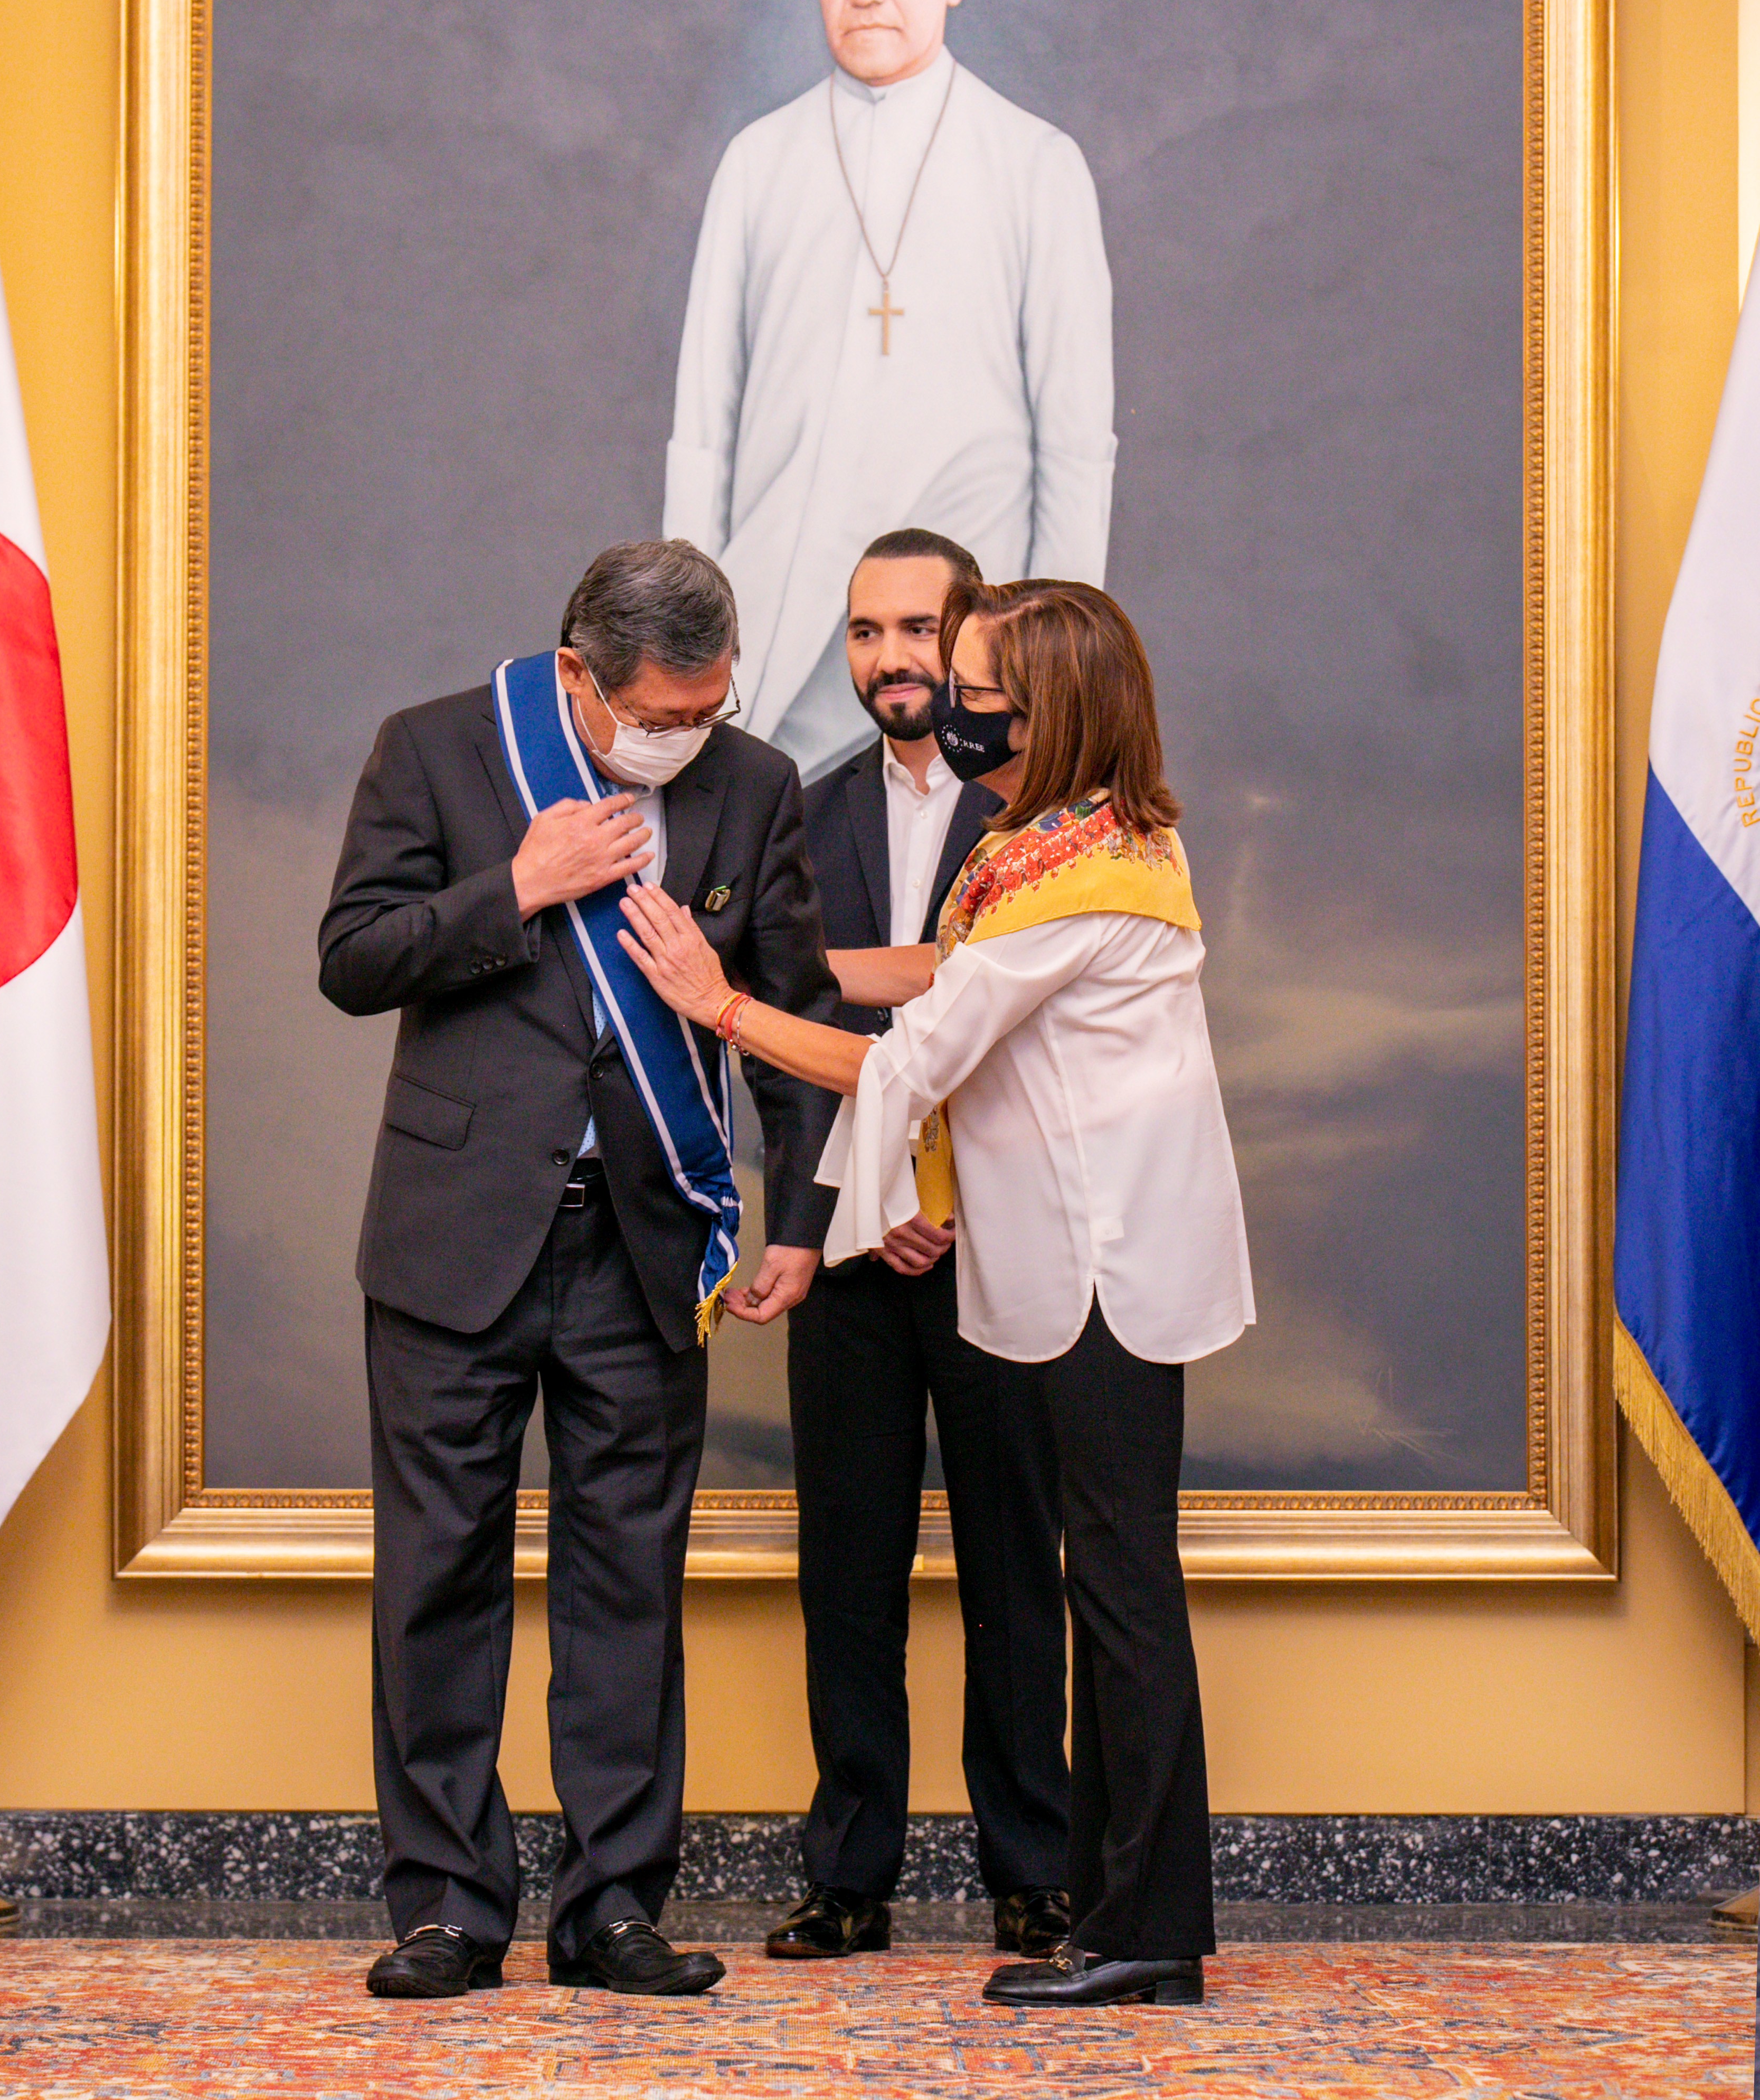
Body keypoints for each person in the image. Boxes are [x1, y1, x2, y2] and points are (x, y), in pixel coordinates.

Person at [619, 578, 1254, 2010]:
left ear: (1051, 709)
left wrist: (721, 1004)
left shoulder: (1076, 878)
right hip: (1089, 1261)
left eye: (978, 691)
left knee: (1121, 1593)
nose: (953, 710)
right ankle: (1125, 1917)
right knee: (1111, 1586)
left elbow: (907, 1061)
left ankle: (1148, 1931)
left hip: (1105, 1269)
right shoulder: (1068, 845)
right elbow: (949, 1021)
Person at [318, 540, 840, 2003]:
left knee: (630, 1585)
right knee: (438, 1576)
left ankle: (613, 1908)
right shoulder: (437, 750)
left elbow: (793, 1014)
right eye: (661, 714)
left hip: (644, 1241)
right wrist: (518, 885)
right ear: (578, 677)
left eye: (709, 708)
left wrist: (800, 1218)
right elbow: (353, 958)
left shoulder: (753, 786)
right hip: (455, 1235)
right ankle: (446, 1908)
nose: (686, 736)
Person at [766, 527, 1072, 1964]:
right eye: (865, 630)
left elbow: (1025, 1027)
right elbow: (778, 1044)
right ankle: (849, 1878)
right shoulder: (798, 812)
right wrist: (840, 1207)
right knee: (848, 1569)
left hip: (1000, 1240)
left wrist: (949, 1188)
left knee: (1016, 1566)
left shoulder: (1039, 816)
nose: (891, 657)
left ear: (974, 646)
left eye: (919, 630)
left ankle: (1035, 1872)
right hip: (846, 1240)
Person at [663, 0, 1116, 781]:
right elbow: (704, 433)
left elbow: (1074, 443)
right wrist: (683, 634)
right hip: (781, 601)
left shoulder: (1036, 164)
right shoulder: (758, 162)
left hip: (972, 622)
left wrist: (1058, 661)